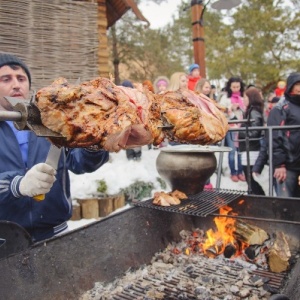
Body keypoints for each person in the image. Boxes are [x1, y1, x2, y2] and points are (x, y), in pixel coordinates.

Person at [0, 53, 109, 242]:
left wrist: (93, 144)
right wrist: (16, 185)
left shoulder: (49, 121)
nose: (16, 84)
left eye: (21, 78)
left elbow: (78, 162)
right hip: (6, 240)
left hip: (55, 234)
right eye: (6, 79)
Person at [267, 72, 300, 198]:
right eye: (298, 84)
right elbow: (274, 138)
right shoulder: (281, 108)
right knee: (286, 206)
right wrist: (279, 165)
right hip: (287, 166)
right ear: (291, 86)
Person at [238, 87, 265, 195]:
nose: (243, 99)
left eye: (245, 97)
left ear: (251, 98)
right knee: (250, 180)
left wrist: (240, 131)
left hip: (252, 150)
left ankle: (261, 200)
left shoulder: (253, 112)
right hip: (248, 149)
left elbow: (254, 133)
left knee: (251, 180)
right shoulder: (252, 111)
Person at [219, 76, 246, 182]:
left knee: (241, 151)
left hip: (241, 127)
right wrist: (230, 108)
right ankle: (233, 172)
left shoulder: (244, 97)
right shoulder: (225, 98)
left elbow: (247, 110)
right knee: (232, 151)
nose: (236, 89)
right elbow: (220, 110)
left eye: (238, 87)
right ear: (229, 87)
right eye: (233, 87)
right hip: (231, 127)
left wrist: (240, 107)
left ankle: (240, 171)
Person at [121, 79, 142, 161]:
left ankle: (138, 155)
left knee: (136, 140)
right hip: (126, 123)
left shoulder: (135, 97)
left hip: (136, 123)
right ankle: (130, 155)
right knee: (128, 140)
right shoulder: (121, 99)